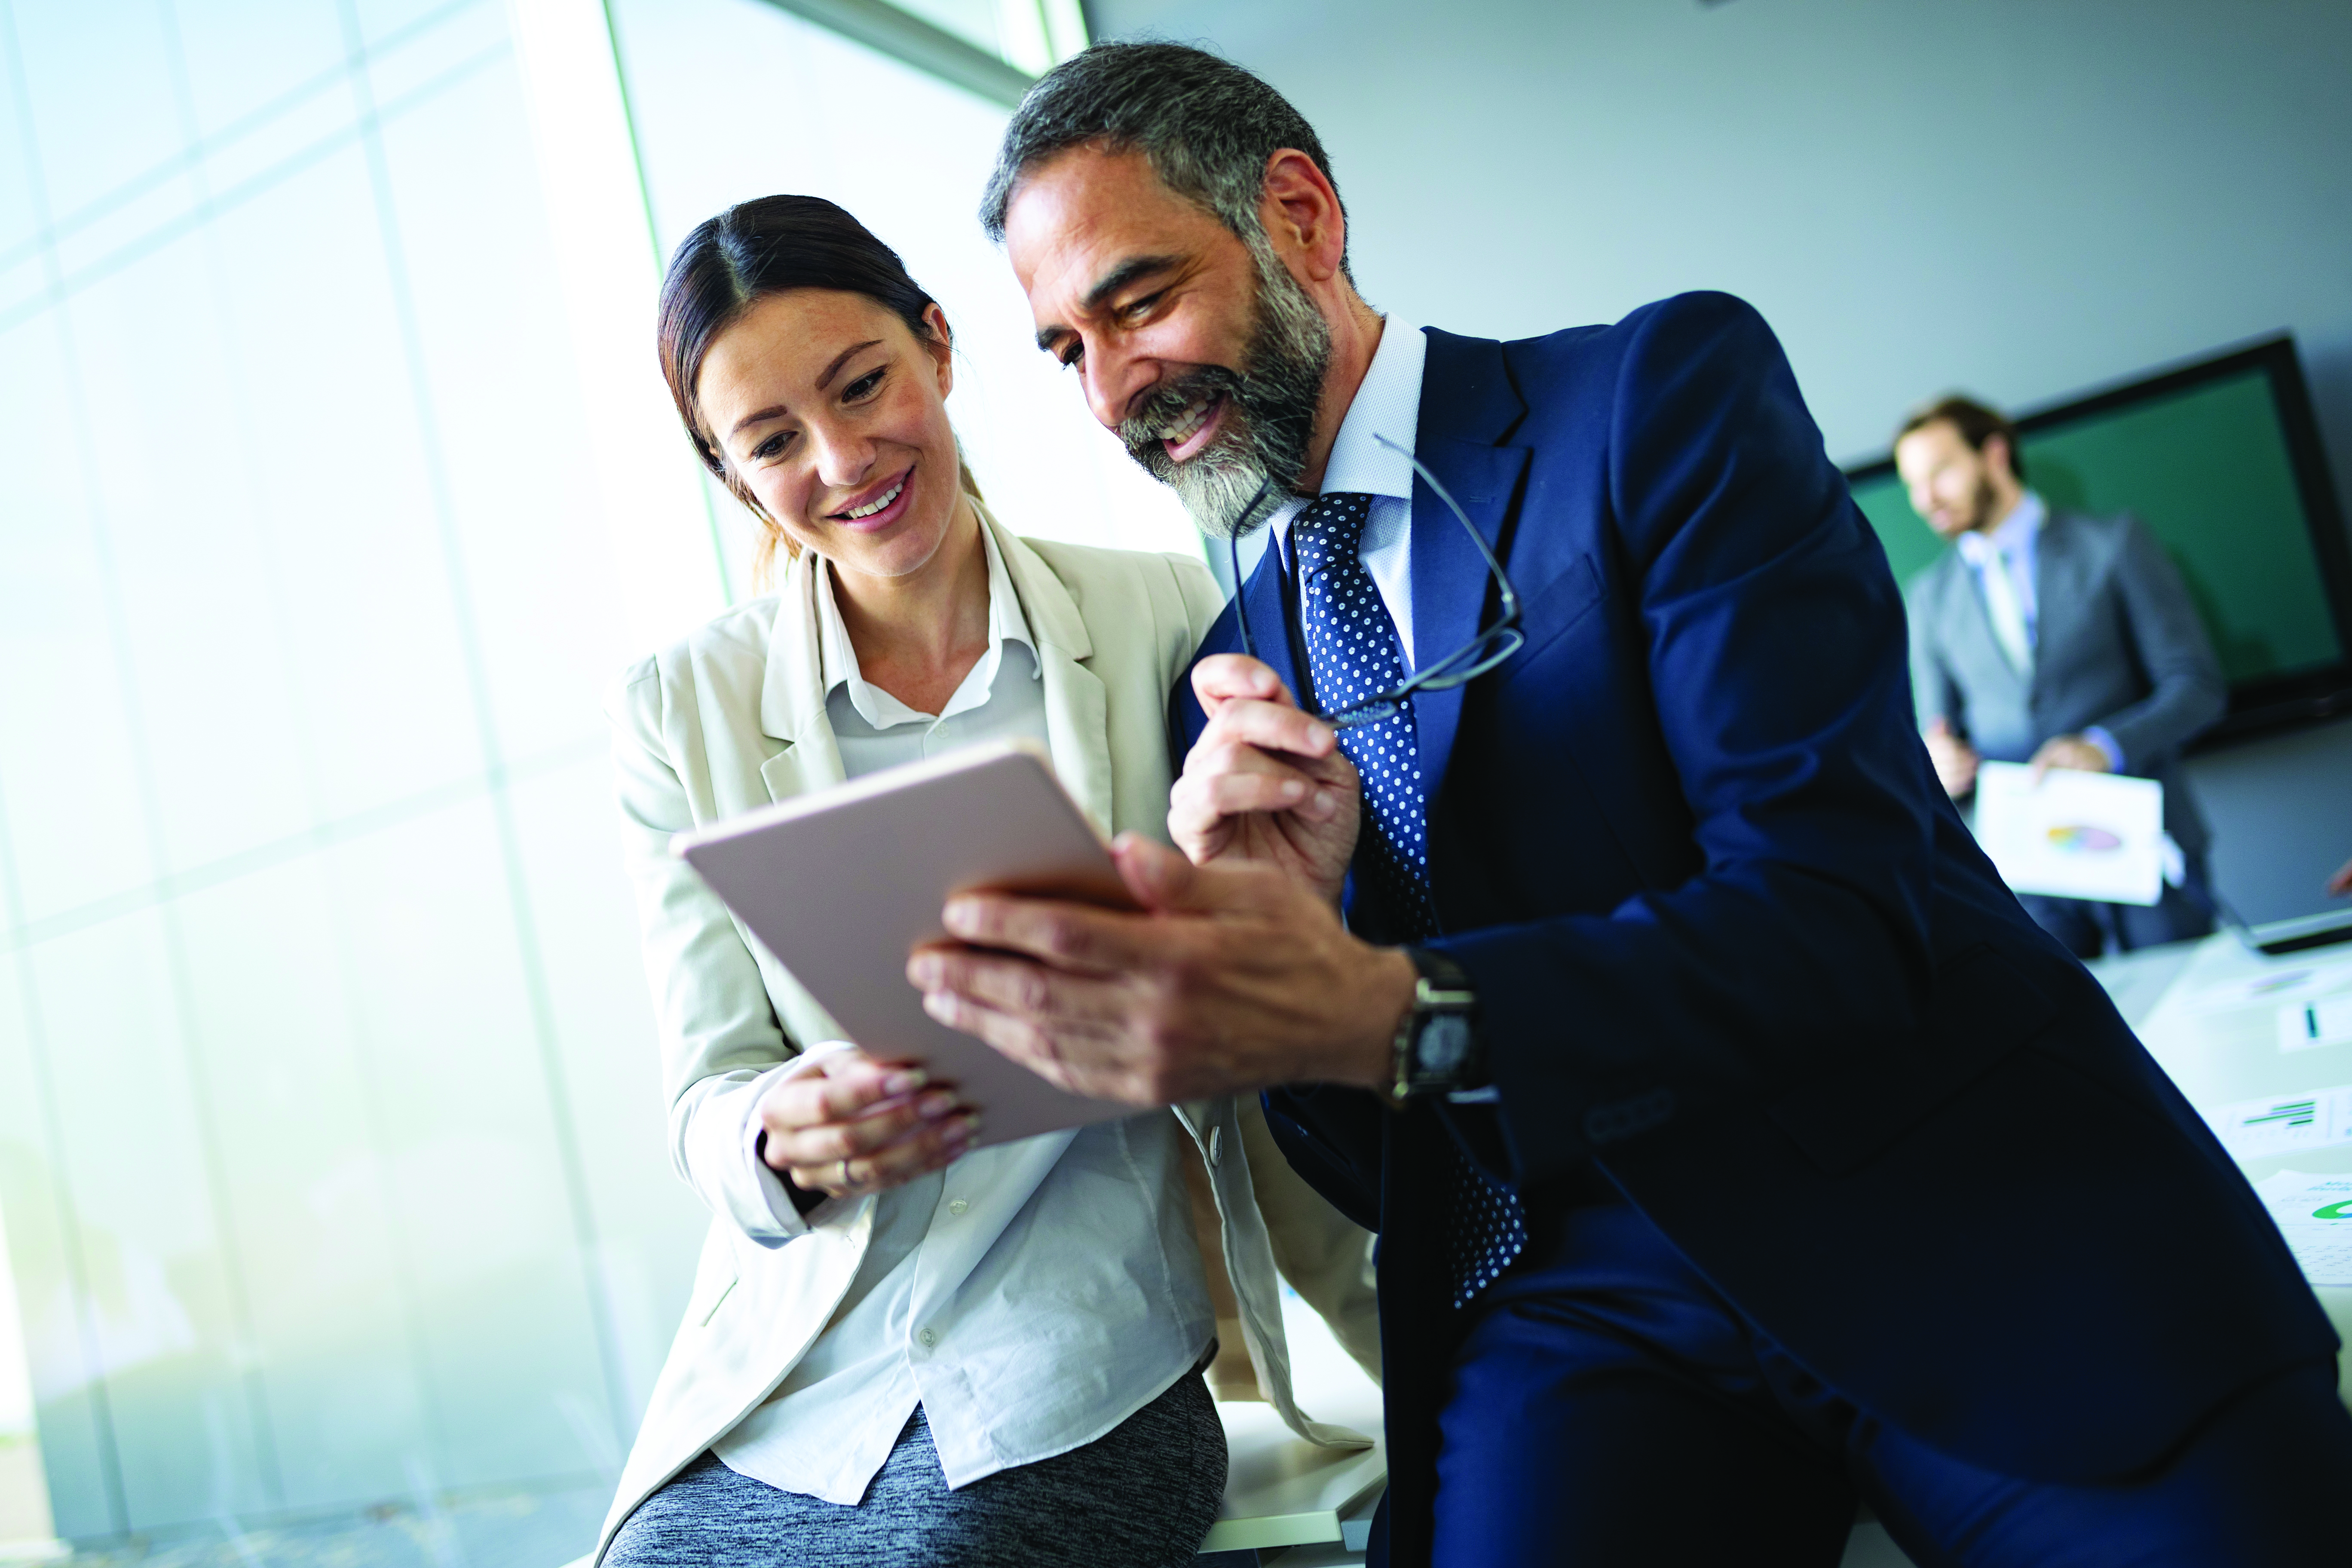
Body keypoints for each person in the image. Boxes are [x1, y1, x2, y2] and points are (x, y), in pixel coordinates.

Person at [899, 42, 2352, 1568]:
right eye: (1065, 347)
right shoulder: (1238, 657)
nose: (1116, 384)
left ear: (1301, 217)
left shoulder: (1656, 398)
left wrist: (1388, 1004)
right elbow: (1366, 1147)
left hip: (1949, 1215)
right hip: (1582, 1308)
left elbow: (1841, 909)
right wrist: (1278, 956)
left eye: (1138, 300)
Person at [591, 195, 1378, 1568]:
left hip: (1074, 1365)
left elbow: (1293, 954)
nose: (843, 459)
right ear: (731, 477)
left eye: (863, 385)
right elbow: (705, 1094)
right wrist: (785, 1130)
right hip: (799, 1387)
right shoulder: (683, 710)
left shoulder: (1166, 618)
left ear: (940, 348)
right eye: (774, 442)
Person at [1894, 395, 2228, 958]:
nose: (1925, 500)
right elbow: (1937, 732)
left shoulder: (2116, 544)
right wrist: (1938, 764)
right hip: (2026, 874)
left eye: (1941, 472)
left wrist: (2105, 747)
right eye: (1913, 485)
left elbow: (2196, 686)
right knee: (2061, 1037)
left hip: (2144, 847)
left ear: (1995, 455)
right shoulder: (1928, 598)